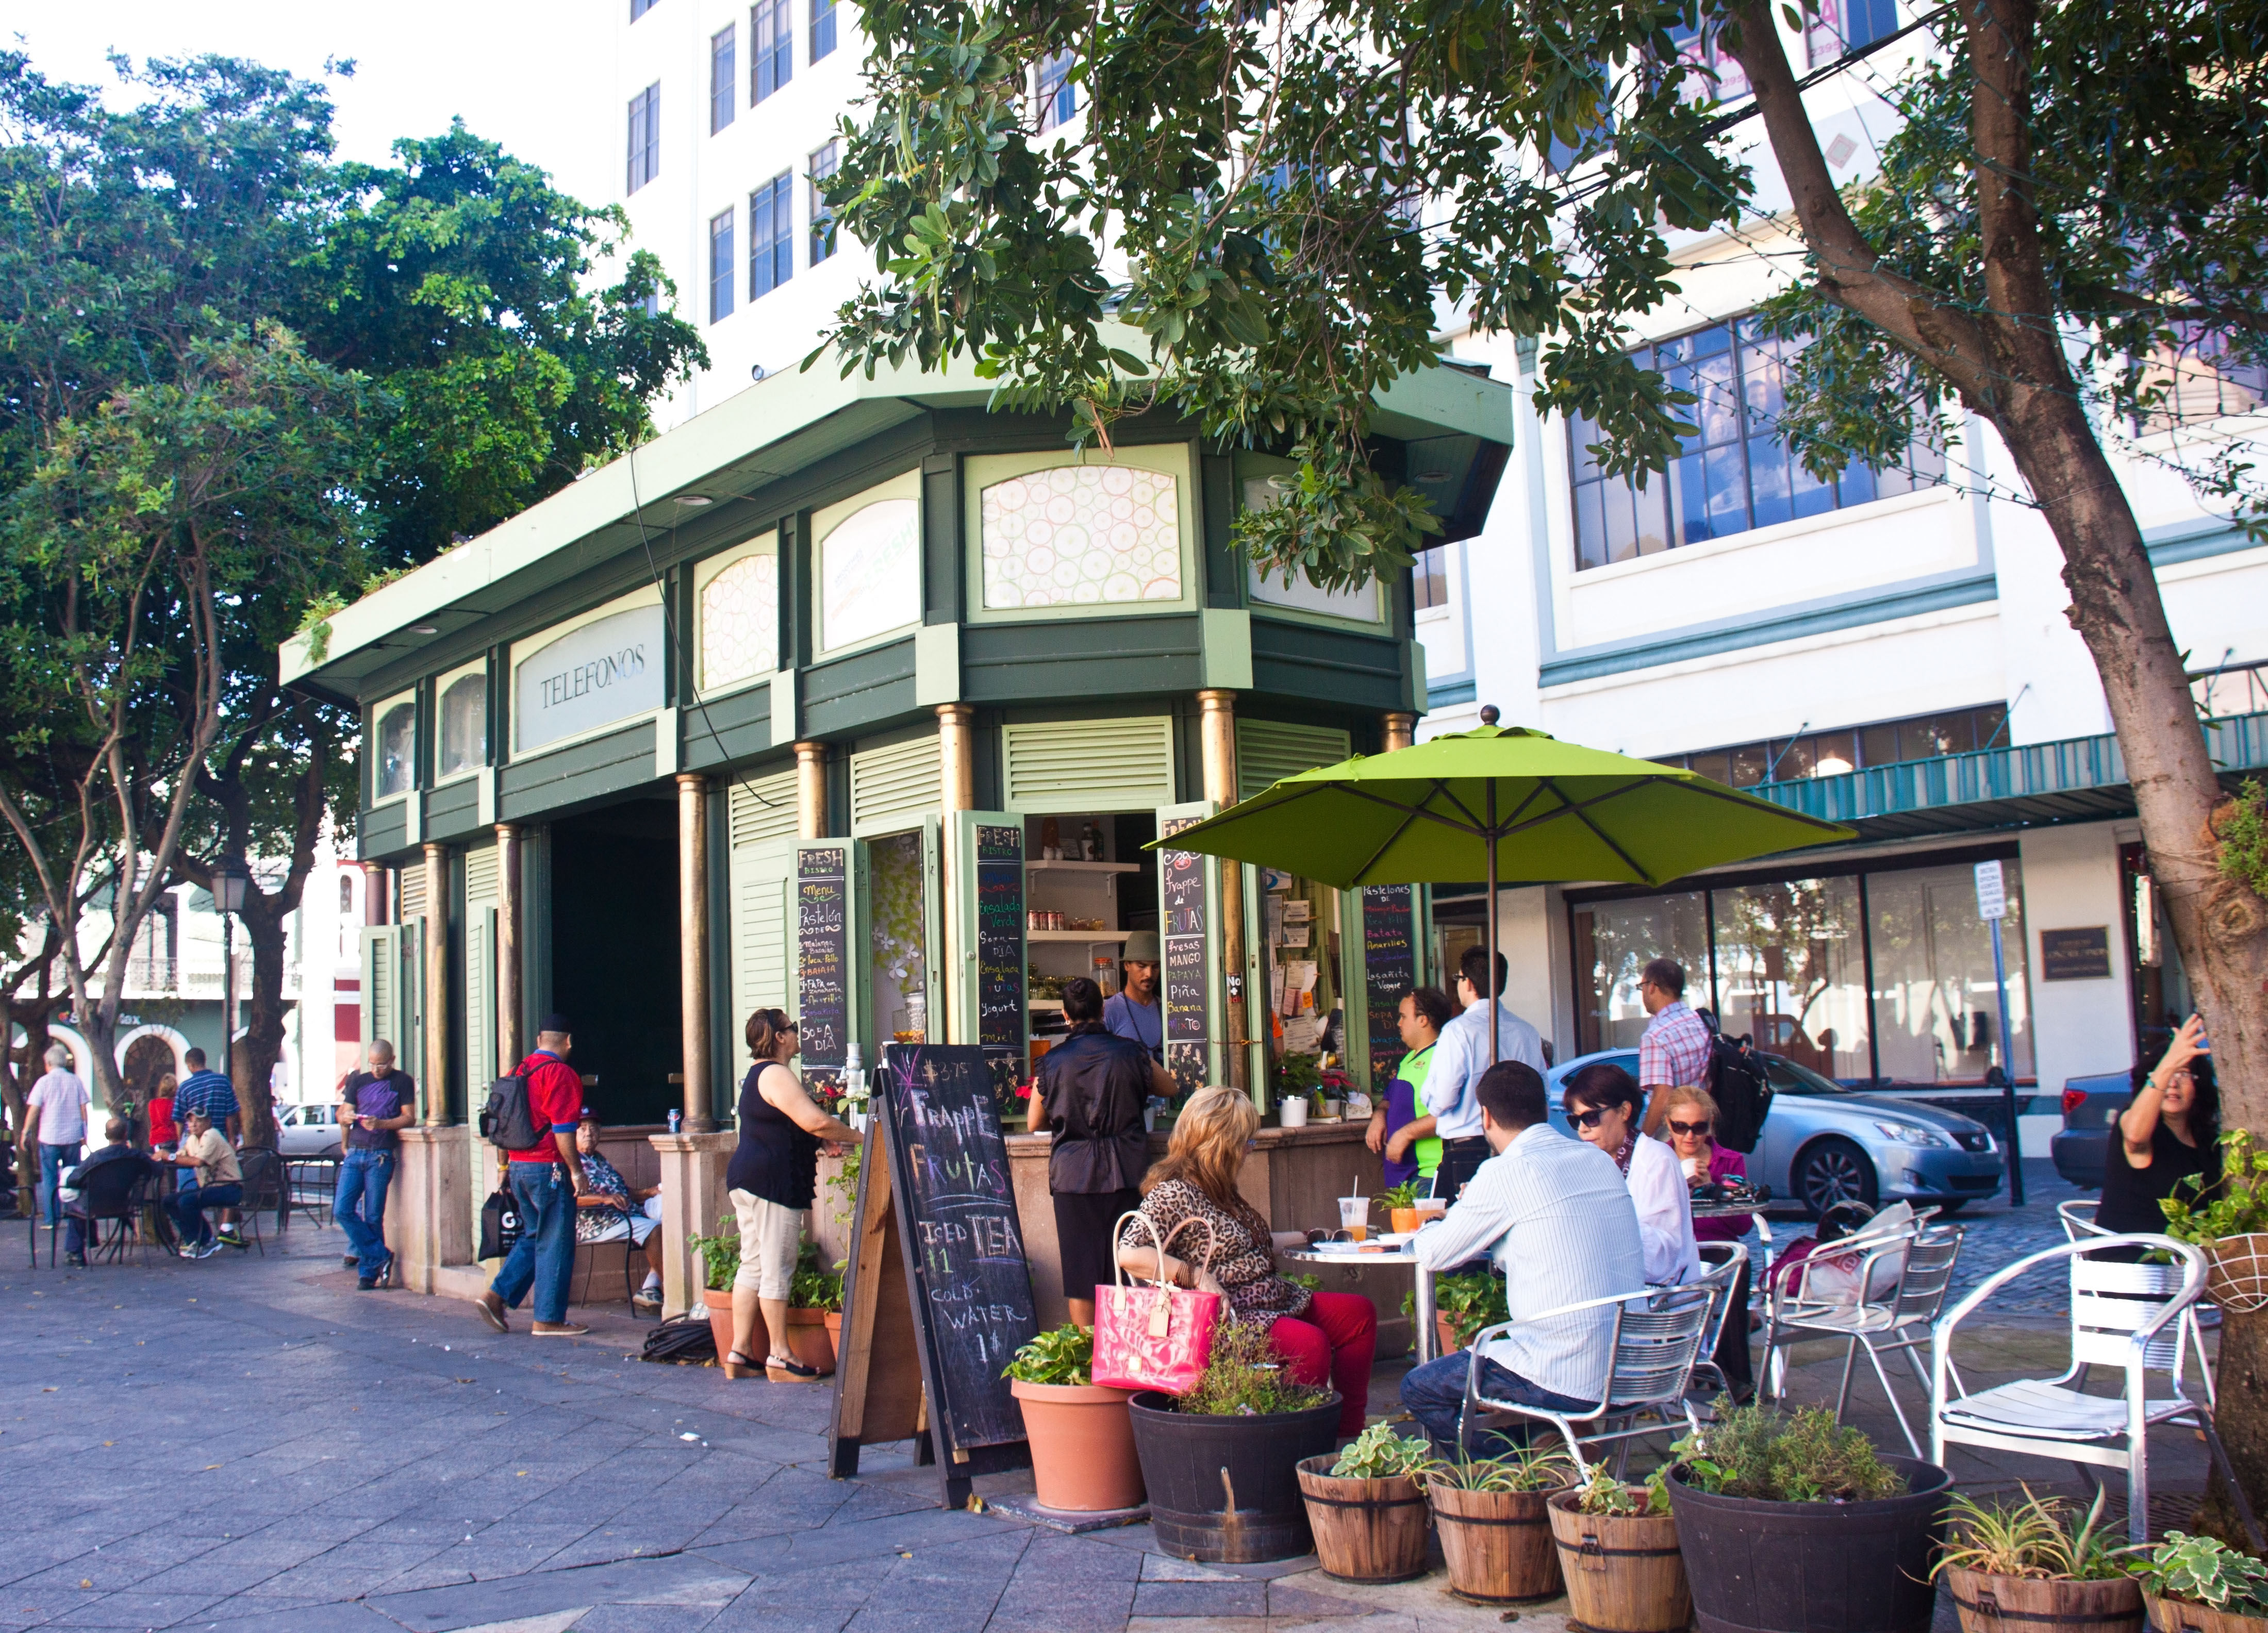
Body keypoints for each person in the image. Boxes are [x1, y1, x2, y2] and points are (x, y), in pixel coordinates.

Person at [1400, 1061, 1647, 1455]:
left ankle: (1512, 1481)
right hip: (1636, 1370)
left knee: (1420, 1387)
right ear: (1545, 1109)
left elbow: (1433, 1254)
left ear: (1485, 1115)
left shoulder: (1503, 1172)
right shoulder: (1599, 1161)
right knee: (1512, 1350)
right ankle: (1551, 1451)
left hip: (1568, 1375)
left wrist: (1434, 1224)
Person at [1115, 1085, 1377, 1435]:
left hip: (1272, 1301)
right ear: (1219, 1144)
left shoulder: (1218, 1186)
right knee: (1308, 1344)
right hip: (1230, 1318)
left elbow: (1249, 1246)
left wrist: (1314, 1236)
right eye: (1245, 1143)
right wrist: (1197, 1277)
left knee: (1357, 1315)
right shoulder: (1175, 1191)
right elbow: (1129, 1252)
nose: (1248, 1152)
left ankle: (1347, 1432)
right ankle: (1298, 1445)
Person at [725, 1008, 858, 1381]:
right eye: (793, 1029)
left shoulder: (757, 1076)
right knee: (776, 1265)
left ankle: (740, 1351)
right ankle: (780, 1356)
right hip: (771, 1182)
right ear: (779, 1037)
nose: (798, 1034)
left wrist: (820, 1137)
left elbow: (787, 1122)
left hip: (747, 1177)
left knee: (752, 1263)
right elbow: (813, 1118)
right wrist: (867, 1136)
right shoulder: (777, 1073)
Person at [1036, 977, 1154, 1329]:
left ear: (1064, 1015)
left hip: (1073, 1176)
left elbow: (1032, 1122)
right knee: (1130, 1268)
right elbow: (1170, 1085)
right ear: (1103, 1011)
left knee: (1081, 1277)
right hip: (1126, 1170)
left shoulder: (1052, 1061)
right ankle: (1127, 1355)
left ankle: (1088, 1361)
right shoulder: (1130, 1052)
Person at [474, 1017, 591, 1338]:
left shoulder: (516, 1072)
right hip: (548, 1168)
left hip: (517, 1165)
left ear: (540, 1038)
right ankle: (549, 1319)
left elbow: (499, 1127)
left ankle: (495, 1296)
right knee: (556, 1240)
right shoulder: (561, 1074)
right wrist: (576, 1170)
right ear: (568, 1042)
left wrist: (503, 1169)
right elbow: (564, 1130)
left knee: (532, 1235)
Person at [1422, 946, 1548, 1203]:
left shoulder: (1458, 1031)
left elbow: (1442, 1100)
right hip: (1522, 1147)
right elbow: (1541, 1093)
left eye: (1458, 979)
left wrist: (1429, 1096)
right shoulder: (1527, 1032)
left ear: (1467, 982)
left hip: (1469, 1148)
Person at [1563, 1061, 1700, 1287]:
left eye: (1591, 1118)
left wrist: (1597, 1222)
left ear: (1625, 1111)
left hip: (1663, 1302)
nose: (1582, 1129)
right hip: (1619, 1289)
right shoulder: (1595, 1162)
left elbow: (1661, 1260)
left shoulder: (1657, 1160)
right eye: (1575, 1120)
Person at [1659, 1084, 1754, 1399]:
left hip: (1718, 1249)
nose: (1689, 1136)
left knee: (1735, 1271)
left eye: (1699, 1127)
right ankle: (1670, 1376)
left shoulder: (1729, 1162)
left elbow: (1742, 1225)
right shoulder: (1658, 1160)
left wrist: (1714, 1188)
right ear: (1668, 1123)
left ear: (1710, 1125)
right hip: (1673, 1250)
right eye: (1680, 1127)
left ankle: (1735, 1377)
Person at [2099, 1013, 2221, 1236]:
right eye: (2166, 1075)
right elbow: (2135, 1138)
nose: (2172, 1084)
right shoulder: (2132, 1120)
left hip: (2190, 1262)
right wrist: (2169, 1063)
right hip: (2134, 1262)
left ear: (2198, 1085)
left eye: (2183, 1074)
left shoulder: (2208, 1140)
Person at [335, 1040, 416, 1290]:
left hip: (380, 1154)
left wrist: (381, 1124)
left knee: (373, 1215)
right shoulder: (358, 1080)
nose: (377, 1069)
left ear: (392, 1060)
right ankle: (379, 1254)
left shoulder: (402, 1081)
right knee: (342, 1210)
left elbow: (409, 1118)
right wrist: (346, 1120)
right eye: (372, 1064)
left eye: (381, 1064)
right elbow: (342, 1114)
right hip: (356, 1152)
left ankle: (368, 1273)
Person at [573, 1112, 667, 1313]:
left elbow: (621, 1191)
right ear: (572, 1133)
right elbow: (569, 1199)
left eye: (593, 1129)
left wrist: (646, 1192)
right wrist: (603, 1199)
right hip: (598, 1222)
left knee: (672, 1210)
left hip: (627, 1213)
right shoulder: (571, 1162)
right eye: (582, 1129)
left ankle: (650, 1288)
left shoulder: (599, 1159)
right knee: (653, 1230)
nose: (589, 1133)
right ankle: (672, 1294)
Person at [1367, 986, 1453, 1190]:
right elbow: (1388, 1100)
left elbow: (1450, 1114)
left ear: (1423, 1020)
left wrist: (1405, 1134)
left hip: (1428, 1173)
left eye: (1404, 1017)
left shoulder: (1443, 1057)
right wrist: (1378, 1118)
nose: (1399, 1023)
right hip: (1403, 1178)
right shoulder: (1409, 1059)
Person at [60, 1119, 156, 1267]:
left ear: (106, 1136)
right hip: (125, 1205)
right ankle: (89, 1241)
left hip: (93, 1206)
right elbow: (158, 1170)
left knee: (73, 1205)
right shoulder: (137, 1156)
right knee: (82, 1205)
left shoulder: (95, 1158)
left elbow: (72, 1180)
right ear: (126, 1134)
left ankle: (76, 1251)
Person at [1634, 958, 1712, 1136]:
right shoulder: (1700, 1021)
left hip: (1674, 1134)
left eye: (1642, 987)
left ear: (1652, 986)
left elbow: (1662, 1099)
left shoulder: (1656, 1036)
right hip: (1702, 1128)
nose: (1643, 993)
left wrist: (1643, 1142)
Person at [26, 1043, 92, 1232]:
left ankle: (51, 1219)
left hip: (49, 1136)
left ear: (48, 1063)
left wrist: (25, 1131)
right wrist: (84, 1133)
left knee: (50, 1178)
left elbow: (34, 1109)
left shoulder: (43, 1082)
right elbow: (83, 1109)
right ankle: (72, 1213)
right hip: (72, 1137)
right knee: (72, 1176)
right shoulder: (75, 1081)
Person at [163, 1109, 243, 1258]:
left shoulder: (211, 1135)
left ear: (208, 1122)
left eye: (198, 1121)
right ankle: (193, 1239)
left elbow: (199, 1162)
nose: (193, 1125)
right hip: (209, 1187)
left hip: (229, 1187)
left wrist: (170, 1156)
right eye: (190, 1121)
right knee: (169, 1201)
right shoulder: (192, 1139)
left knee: (186, 1202)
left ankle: (208, 1240)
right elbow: (182, 1156)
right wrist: (161, 1157)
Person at [1103, 931, 1165, 1063]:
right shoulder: (1109, 1010)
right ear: (1127, 965)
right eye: (1142, 966)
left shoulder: (1169, 1009)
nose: (1149, 974)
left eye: (1155, 967)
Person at [146, 1074, 180, 1151]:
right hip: (171, 1139)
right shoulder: (174, 1105)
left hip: (155, 1140)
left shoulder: (152, 1104)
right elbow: (177, 1123)